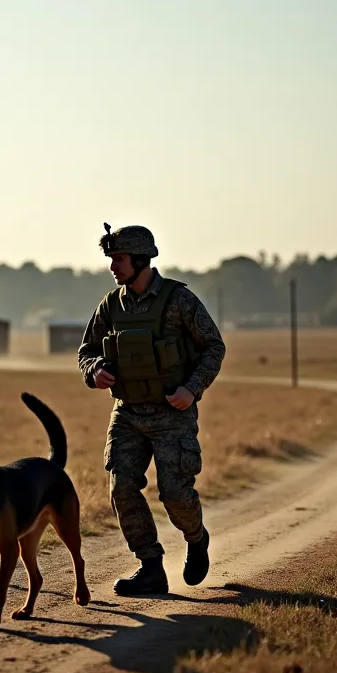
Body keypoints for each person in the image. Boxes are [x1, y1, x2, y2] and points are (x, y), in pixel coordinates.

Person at [78, 224, 226, 595]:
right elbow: (86, 351)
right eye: (112, 259)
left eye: (119, 259)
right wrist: (94, 370)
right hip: (127, 413)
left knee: (175, 493)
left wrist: (192, 390)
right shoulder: (111, 305)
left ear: (141, 258)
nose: (113, 266)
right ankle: (150, 567)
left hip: (172, 413)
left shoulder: (179, 300)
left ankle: (196, 538)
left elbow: (213, 347)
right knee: (122, 486)